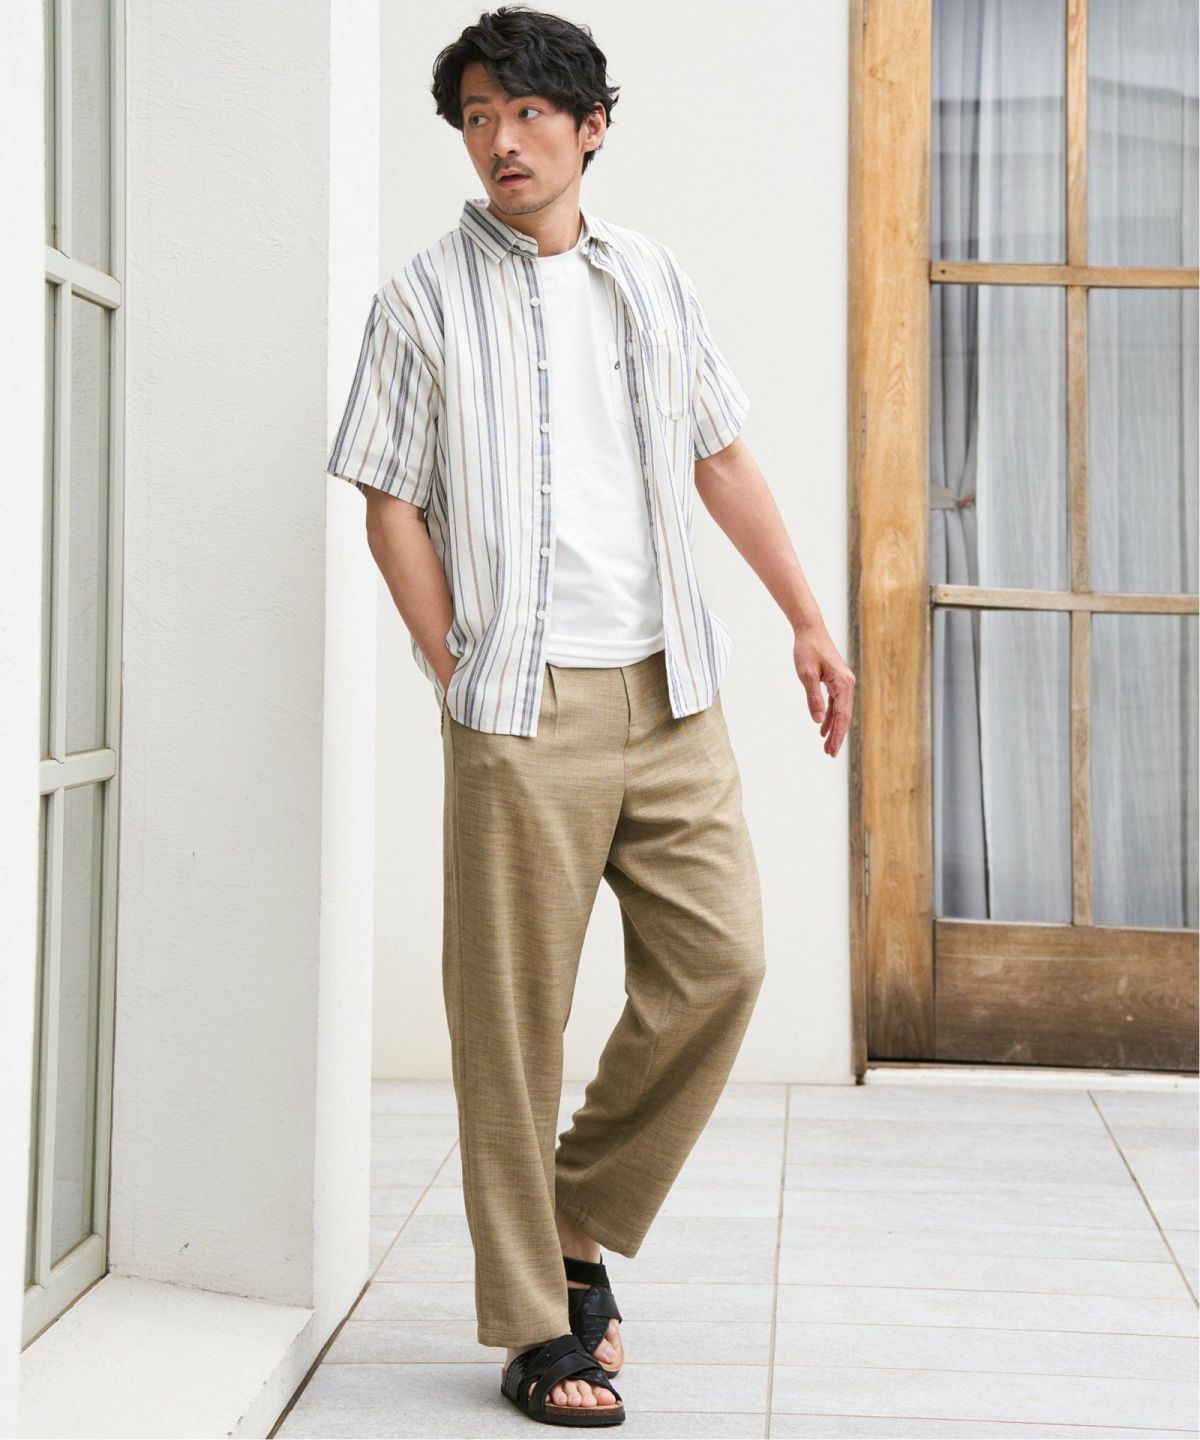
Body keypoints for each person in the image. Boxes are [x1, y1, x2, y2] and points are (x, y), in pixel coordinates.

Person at [326, 5, 855, 1426]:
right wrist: (454, 662)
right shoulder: (421, 301)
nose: (499, 139)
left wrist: (806, 617)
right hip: (522, 703)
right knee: (512, 1024)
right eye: (476, 117)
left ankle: (575, 1219)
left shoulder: (652, 279)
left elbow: (721, 453)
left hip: (672, 687)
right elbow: (389, 499)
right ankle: (534, 1327)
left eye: (526, 113)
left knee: (724, 963)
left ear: (590, 126)